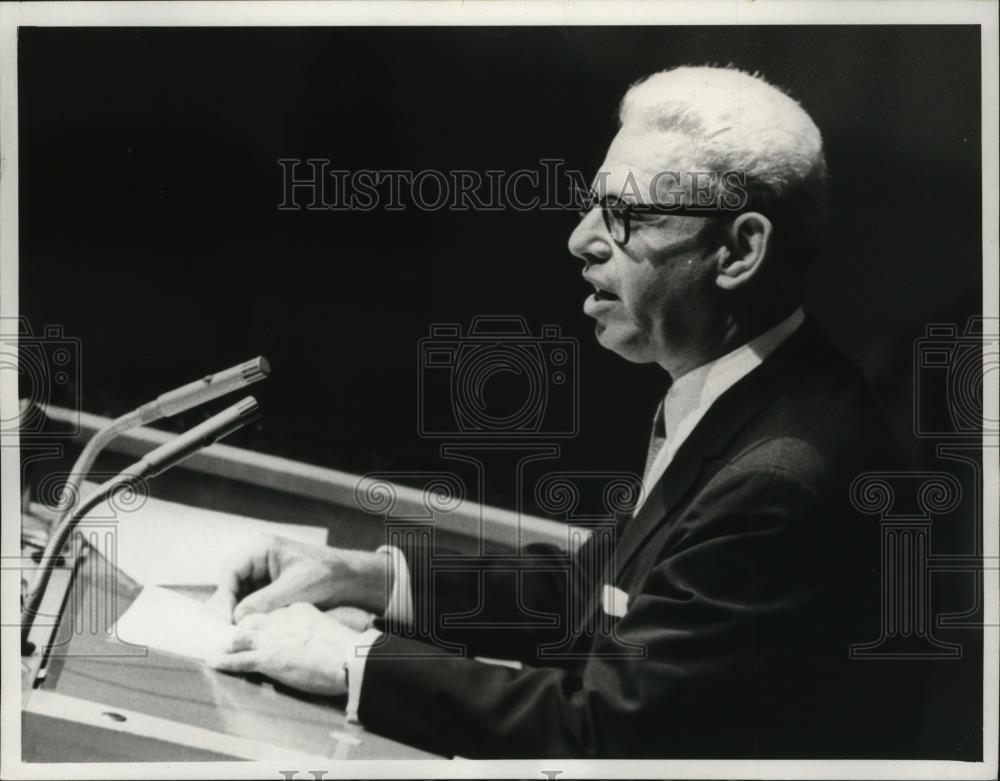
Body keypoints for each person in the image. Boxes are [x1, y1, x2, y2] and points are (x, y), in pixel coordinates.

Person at [208, 66, 921, 757]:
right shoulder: (756, 391)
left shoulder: (782, 476)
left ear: (739, 250)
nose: (580, 238)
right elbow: (590, 594)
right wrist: (362, 576)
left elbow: (606, 734)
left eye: (626, 215)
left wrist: (352, 659)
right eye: (593, 205)